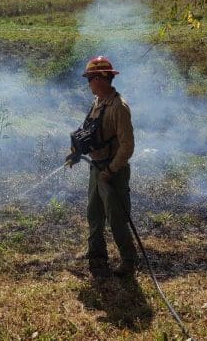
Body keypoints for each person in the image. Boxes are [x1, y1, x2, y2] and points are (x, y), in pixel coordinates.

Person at [66, 56, 137, 278]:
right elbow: (88, 133)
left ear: (101, 79)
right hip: (96, 168)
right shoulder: (97, 103)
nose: (88, 84)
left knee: (116, 218)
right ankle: (96, 255)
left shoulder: (119, 107)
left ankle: (128, 261)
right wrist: (76, 153)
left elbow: (127, 147)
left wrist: (111, 171)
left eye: (90, 79)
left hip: (112, 173)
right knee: (94, 214)